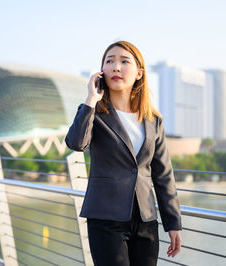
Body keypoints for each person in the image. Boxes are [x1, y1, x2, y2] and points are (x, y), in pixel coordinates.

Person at [65, 40, 182, 266]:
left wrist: (173, 223)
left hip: (146, 220)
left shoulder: (153, 120)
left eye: (123, 61)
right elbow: (76, 143)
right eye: (109, 61)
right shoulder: (93, 113)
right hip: (105, 218)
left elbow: (163, 175)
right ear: (102, 72)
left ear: (139, 73)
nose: (116, 67)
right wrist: (91, 99)